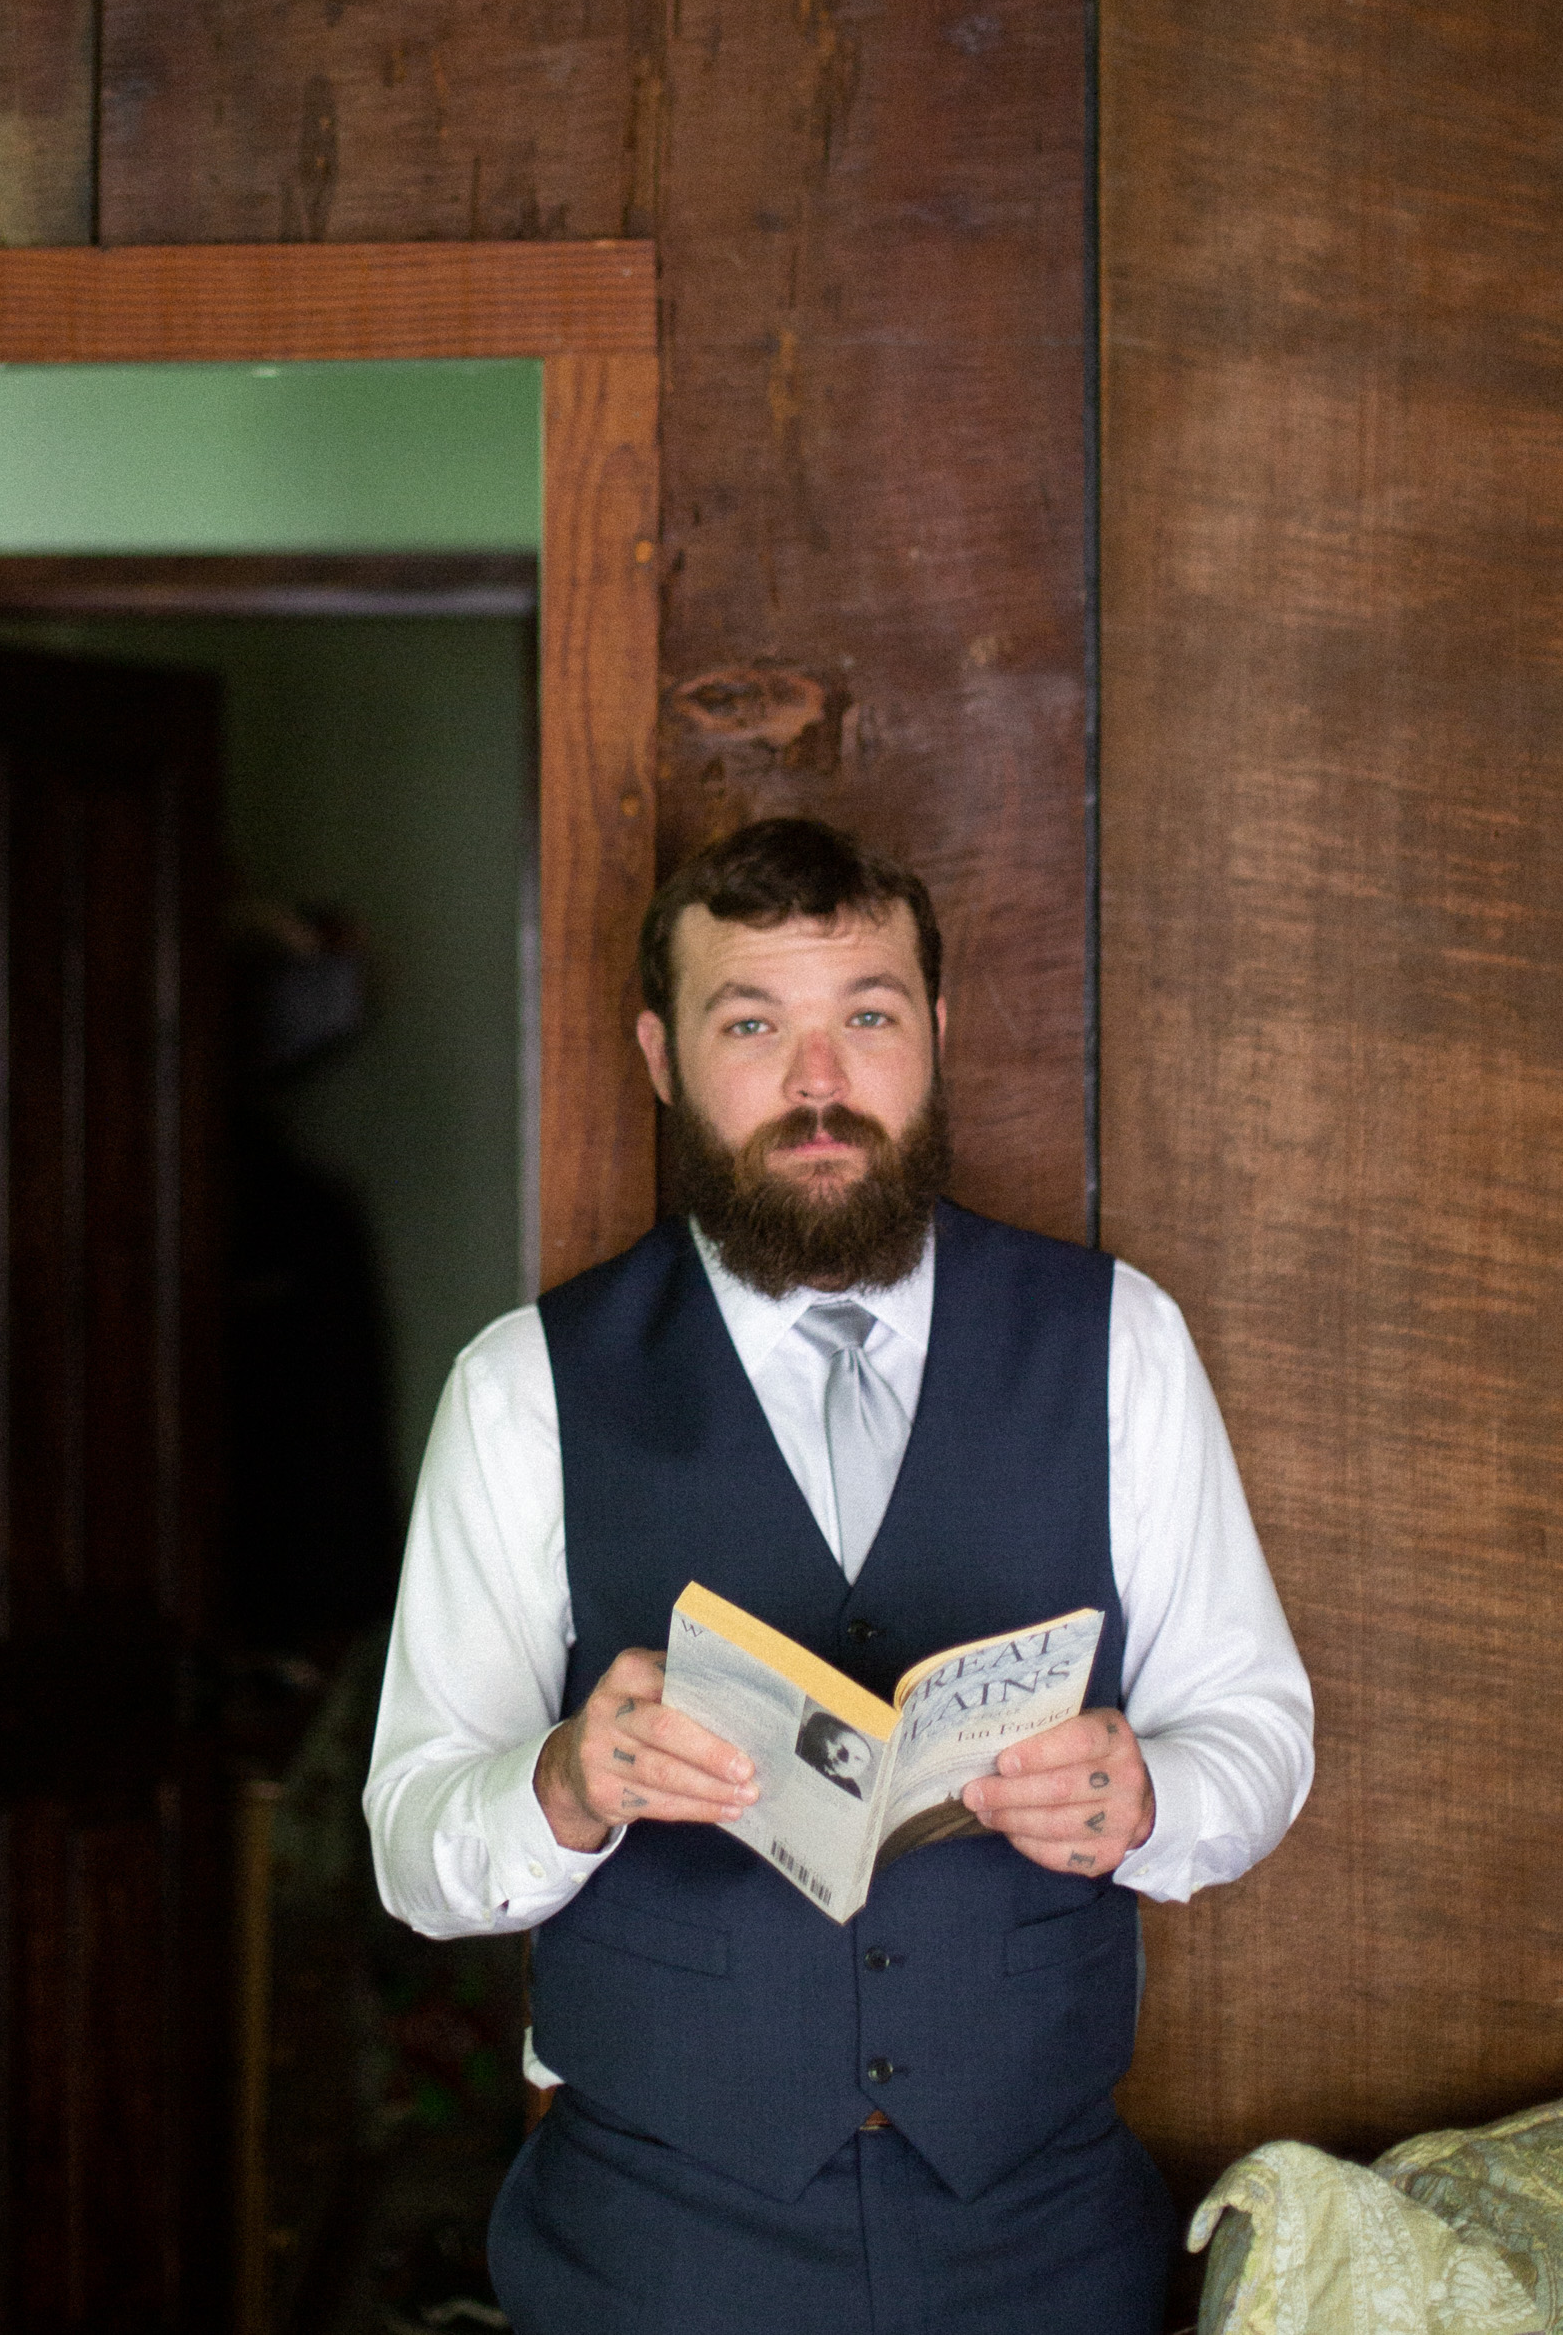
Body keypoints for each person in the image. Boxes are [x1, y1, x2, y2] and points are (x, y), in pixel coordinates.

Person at [363, 819, 1313, 2335]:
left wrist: (1147, 1800)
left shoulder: (1117, 1338)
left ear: (935, 1033)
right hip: (654, 2249)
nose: (821, 1084)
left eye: (866, 1017)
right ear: (662, 1056)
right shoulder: (525, 1387)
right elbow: (413, 1848)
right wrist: (562, 1780)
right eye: (755, 1025)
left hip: (1044, 2235)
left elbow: (1256, 1730)